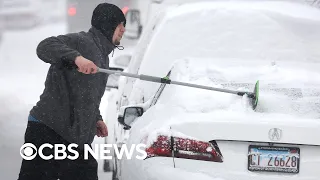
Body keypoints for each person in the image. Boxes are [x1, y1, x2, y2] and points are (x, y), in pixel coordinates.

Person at [17, 3, 126, 180]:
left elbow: (86, 94)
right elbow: (45, 46)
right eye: (120, 24)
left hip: (74, 140)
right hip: (47, 131)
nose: (123, 29)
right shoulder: (81, 41)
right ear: (108, 24)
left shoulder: (102, 56)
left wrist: (96, 118)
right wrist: (77, 58)